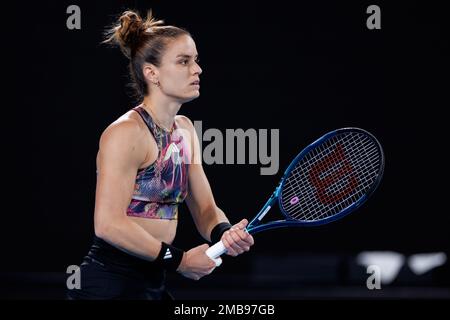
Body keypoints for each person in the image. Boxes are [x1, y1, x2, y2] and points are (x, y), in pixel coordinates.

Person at [66, 10, 254, 300]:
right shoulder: (126, 133)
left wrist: (224, 233)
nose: (197, 69)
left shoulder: (186, 130)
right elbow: (108, 224)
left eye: (196, 60)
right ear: (151, 73)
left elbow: (205, 209)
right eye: (183, 61)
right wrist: (181, 261)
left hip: (153, 281)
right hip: (108, 285)